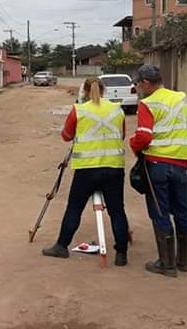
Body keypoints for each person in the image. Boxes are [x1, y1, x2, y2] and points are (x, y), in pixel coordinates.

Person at [42, 77, 131, 266]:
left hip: (86, 169)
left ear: (85, 92)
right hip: (114, 167)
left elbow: (66, 136)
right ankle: (121, 253)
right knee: (117, 211)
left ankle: (61, 246)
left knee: (74, 208)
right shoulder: (117, 109)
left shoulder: (79, 110)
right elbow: (122, 135)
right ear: (104, 90)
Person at [130, 64, 187, 277]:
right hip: (181, 166)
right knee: (182, 211)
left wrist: (134, 146)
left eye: (139, 83)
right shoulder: (182, 99)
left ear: (145, 83)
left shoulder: (148, 104)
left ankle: (167, 264)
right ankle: (183, 261)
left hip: (157, 166)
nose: (139, 87)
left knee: (160, 211)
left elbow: (144, 137)